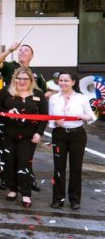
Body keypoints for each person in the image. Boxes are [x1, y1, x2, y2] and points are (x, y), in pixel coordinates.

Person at [0, 42, 47, 191]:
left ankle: (28, 180)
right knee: (6, 153)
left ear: (32, 55)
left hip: (28, 124)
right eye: (21, 50)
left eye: (26, 50)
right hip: (7, 120)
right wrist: (9, 50)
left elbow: (42, 95)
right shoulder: (10, 67)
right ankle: (6, 180)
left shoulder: (37, 75)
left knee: (26, 154)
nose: (22, 52)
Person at [0, 67, 48, 208]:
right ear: (14, 79)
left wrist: (39, 132)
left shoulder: (38, 94)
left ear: (31, 80)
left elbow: (44, 116)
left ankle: (26, 193)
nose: (21, 81)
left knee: (24, 163)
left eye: (25, 78)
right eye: (19, 78)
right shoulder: (6, 92)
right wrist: (7, 112)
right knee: (9, 162)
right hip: (8, 134)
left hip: (28, 136)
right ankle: (13, 189)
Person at [48, 72, 97, 210]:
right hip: (59, 135)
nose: (63, 83)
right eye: (61, 80)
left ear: (73, 82)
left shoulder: (81, 98)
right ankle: (58, 199)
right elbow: (51, 120)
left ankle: (75, 200)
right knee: (59, 168)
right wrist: (56, 123)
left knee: (76, 169)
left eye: (66, 80)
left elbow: (92, 117)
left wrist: (84, 116)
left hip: (77, 135)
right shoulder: (53, 98)